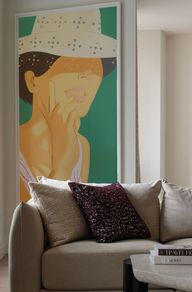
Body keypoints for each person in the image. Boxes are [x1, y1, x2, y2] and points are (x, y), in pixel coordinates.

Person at [18, 9, 117, 201]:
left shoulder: (81, 146)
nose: (87, 80)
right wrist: (63, 162)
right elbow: (28, 220)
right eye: (73, 67)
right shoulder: (10, 145)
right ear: (32, 80)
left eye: (93, 69)